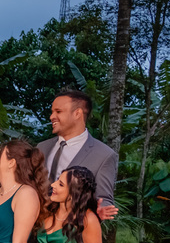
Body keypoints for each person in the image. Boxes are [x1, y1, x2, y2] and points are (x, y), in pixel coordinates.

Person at [36, 89, 119, 220]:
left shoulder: (104, 155)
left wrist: (100, 211)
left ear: (77, 113)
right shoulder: (41, 148)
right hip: (34, 228)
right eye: (52, 112)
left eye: (58, 111)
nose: (51, 117)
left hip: (70, 233)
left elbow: (104, 199)